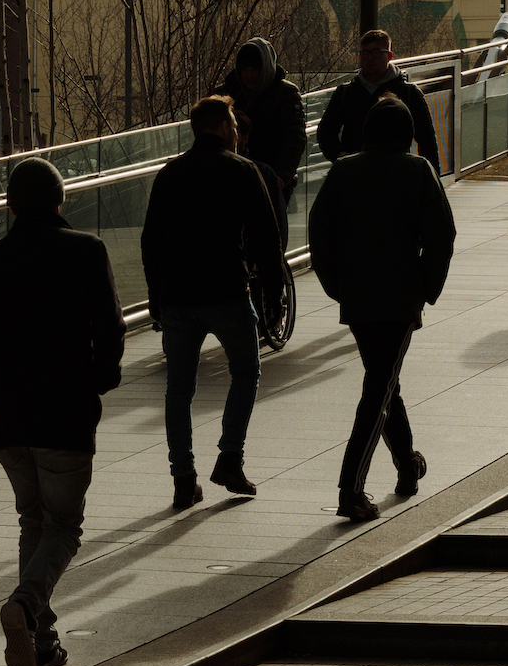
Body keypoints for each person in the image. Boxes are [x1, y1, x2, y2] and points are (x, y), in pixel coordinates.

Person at [0, 157, 125, 666]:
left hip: (9, 421)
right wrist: (97, 379)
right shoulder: (87, 252)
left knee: (34, 520)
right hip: (65, 415)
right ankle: (25, 605)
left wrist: (0, 385)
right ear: (60, 201)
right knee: (65, 525)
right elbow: (111, 330)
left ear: (9, 205)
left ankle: (42, 642)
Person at [307, 96, 457, 522]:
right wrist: (426, 288)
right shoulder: (417, 170)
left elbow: (320, 231)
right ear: (407, 133)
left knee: (382, 379)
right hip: (398, 295)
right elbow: (442, 235)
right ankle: (350, 487)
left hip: (356, 295)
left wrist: (335, 285)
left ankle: (407, 464)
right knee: (379, 388)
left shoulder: (344, 169)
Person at [140, 94, 283, 510]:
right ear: (222, 127)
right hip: (226, 292)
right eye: (235, 126)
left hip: (178, 300)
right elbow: (266, 238)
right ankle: (229, 458)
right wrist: (273, 296)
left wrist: (155, 297)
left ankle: (183, 477)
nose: (238, 133)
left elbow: (151, 242)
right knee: (246, 371)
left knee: (178, 389)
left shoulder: (170, 174)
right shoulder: (243, 171)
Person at [215, 37, 308, 330]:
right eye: (244, 69)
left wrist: (281, 175)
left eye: (255, 69)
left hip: (273, 178)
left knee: (271, 238)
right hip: (233, 177)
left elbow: (294, 138)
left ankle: (273, 297)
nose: (249, 75)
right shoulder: (226, 95)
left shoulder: (285, 94)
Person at [317, 28, 439, 165]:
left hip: (395, 173)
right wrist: (339, 155)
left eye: (376, 52)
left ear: (389, 56)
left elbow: (427, 140)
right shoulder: (346, 93)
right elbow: (325, 132)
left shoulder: (408, 93)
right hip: (356, 173)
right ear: (359, 56)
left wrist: (427, 175)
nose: (370, 58)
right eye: (365, 53)